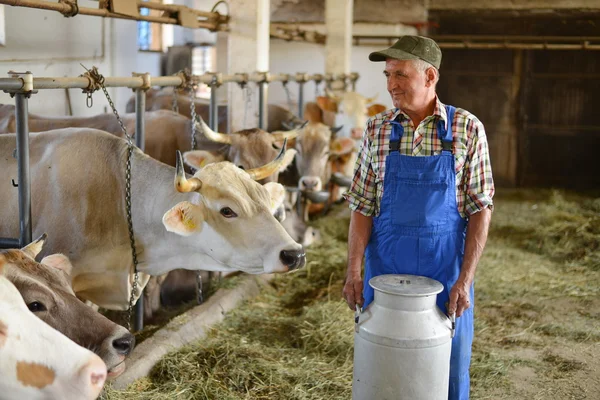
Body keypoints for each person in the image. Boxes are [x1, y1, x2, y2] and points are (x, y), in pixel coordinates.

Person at [342, 35, 494, 400]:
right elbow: (362, 205)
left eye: (401, 74)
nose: (392, 83)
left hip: (446, 270)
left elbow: (480, 208)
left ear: (430, 77)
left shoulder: (466, 128)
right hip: (386, 272)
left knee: (450, 366)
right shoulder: (377, 129)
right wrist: (353, 272)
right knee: (384, 363)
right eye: (388, 74)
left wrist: (465, 279)